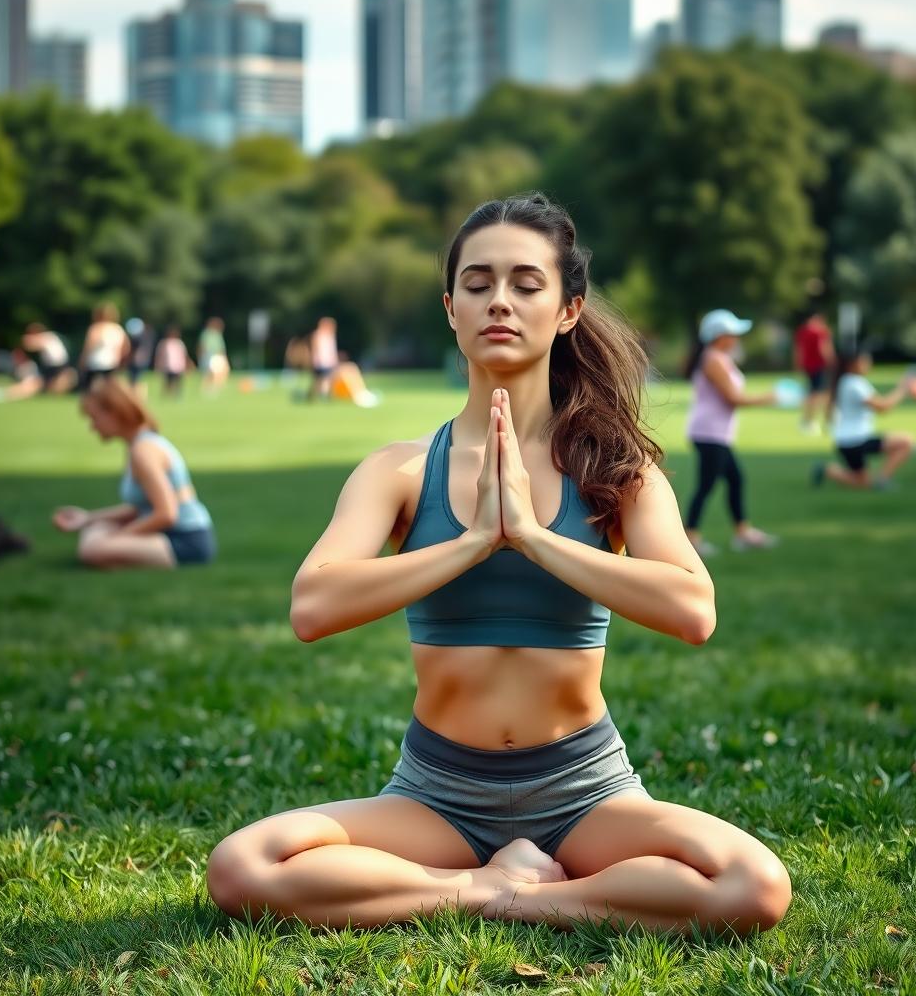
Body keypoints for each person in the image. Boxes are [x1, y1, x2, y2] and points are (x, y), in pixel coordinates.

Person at [205, 193, 791, 938]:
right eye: (478, 285)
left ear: (569, 309)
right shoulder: (401, 470)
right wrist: (472, 541)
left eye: (526, 283)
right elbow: (313, 607)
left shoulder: (618, 469)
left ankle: (518, 896)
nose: (500, 302)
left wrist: (536, 539)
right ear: (451, 308)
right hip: (437, 794)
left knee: (753, 885)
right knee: (242, 867)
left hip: (585, 790)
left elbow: (693, 610)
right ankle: (484, 888)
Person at [52, 377, 216, 568]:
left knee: (93, 548)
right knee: (94, 531)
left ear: (114, 413)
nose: (92, 427)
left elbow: (167, 514)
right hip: (171, 533)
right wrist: (87, 518)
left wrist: (117, 538)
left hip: (185, 540)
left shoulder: (143, 451)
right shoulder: (139, 444)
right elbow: (143, 507)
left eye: (94, 418)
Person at [683, 309, 780, 558]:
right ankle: (690, 539)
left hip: (717, 434)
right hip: (709, 433)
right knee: (706, 486)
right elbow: (733, 398)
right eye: (733, 333)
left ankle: (743, 533)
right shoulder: (713, 359)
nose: (737, 337)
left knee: (735, 480)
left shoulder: (719, 357)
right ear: (720, 336)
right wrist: (771, 398)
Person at [810, 349, 914, 490]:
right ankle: (883, 480)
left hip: (846, 442)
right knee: (906, 442)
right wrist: (902, 389)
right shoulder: (854, 383)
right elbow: (882, 407)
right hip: (857, 440)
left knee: (862, 482)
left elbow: (829, 413)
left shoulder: (844, 381)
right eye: (864, 361)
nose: (868, 364)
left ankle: (827, 470)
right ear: (852, 364)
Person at [792, 311, 835, 435]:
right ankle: (824, 421)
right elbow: (825, 349)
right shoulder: (820, 331)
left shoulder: (802, 331)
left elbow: (798, 350)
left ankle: (809, 420)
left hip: (808, 367)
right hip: (820, 366)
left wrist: (798, 365)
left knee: (813, 394)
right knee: (822, 395)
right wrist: (832, 362)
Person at [78, 302, 129, 388]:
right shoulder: (118, 329)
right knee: (108, 389)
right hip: (112, 362)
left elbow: (88, 347)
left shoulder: (95, 328)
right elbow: (126, 348)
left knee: (90, 389)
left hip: (94, 363)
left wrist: (82, 360)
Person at [21, 323, 77, 394]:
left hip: (58, 367)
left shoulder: (47, 337)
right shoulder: (50, 336)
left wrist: (27, 339)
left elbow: (30, 344)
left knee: (52, 389)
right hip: (53, 367)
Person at [154, 325, 190, 398]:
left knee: (178, 383)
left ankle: (177, 396)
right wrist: (158, 365)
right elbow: (159, 355)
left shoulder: (179, 343)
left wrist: (187, 365)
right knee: (167, 382)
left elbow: (184, 355)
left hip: (178, 366)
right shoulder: (164, 343)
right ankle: (166, 395)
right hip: (167, 366)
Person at [197, 317, 230, 394]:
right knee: (209, 373)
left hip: (217, 355)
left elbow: (221, 348)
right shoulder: (206, 334)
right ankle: (207, 388)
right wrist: (201, 356)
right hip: (209, 355)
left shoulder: (218, 334)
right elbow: (202, 346)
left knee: (222, 372)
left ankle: (216, 387)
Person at [126, 317, 156, 391]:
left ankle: (134, 393)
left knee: (134, 380)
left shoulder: (138, 338)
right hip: (142, 361)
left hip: (136, 361)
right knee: (135, 379)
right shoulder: (147, 336)